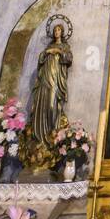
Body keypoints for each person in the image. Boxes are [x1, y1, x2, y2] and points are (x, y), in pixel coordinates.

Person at [29, 21, 72, 150]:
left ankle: (52, 134)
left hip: (56, 80)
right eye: (55, 30)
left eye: (58, 30)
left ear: (62, 32)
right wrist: (48, 52)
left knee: (52, 106)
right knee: (41, 105)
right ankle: (40, 137)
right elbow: (41, 59)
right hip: (45, 79)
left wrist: (58, 51)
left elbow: (68, 58)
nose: (56, 32)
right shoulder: (48, 47)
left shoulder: (65, 46)